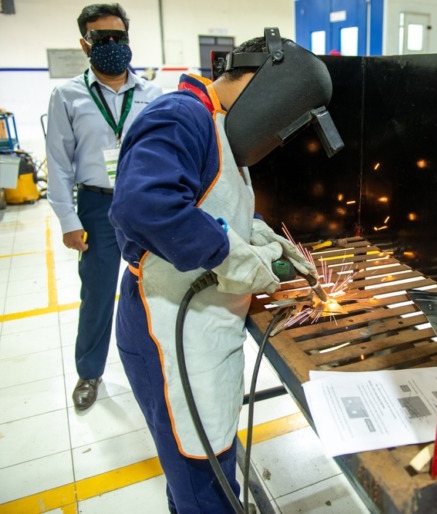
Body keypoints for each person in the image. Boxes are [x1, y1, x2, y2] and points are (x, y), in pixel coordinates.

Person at [108, 31, 336, 513]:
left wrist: (261, 238)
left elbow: (213, 205)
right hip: (170, 330)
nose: (277, 136)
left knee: (210, 456)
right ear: (264, 83)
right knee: (201, 478)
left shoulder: (216, 125)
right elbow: (145, 206)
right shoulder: (179, 115)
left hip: (204, 327)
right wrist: (231, 257)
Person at [46, 3, 163, 410]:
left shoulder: (152, 93)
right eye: (102, 38)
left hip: (144, 203)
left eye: (119, 37)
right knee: (97, 294)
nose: (112, 45)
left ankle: (157, 364)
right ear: (85, 44)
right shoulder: (67, 96)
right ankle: (89, 372)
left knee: (155, 289)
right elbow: (59, 164)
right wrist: (67, 219)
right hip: (96, 207)